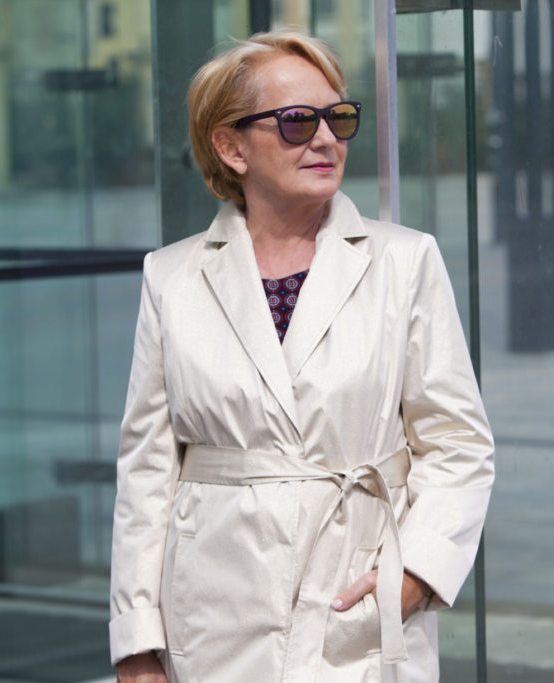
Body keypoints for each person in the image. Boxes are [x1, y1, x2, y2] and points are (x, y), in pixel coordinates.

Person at [108, 30, 494, 683]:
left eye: (338, 118)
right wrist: (137, 643)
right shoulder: (171, 278)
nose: (325, 139)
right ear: (231, 147)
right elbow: (146, 473)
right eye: (296, 121)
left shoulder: (405, 262)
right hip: (211, 618)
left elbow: (458, 444)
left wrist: (412, 577)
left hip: (353, 608)